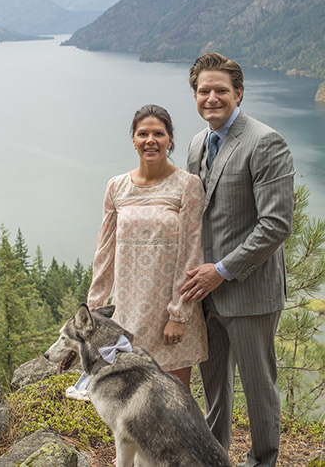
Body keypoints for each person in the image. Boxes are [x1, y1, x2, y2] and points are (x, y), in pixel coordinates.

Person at [181, 52, 295, 467]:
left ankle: (263, 461)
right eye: (203, 91)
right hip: (205, 292)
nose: (212, 98)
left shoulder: (265, 141)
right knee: (215, 387)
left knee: (259, 386)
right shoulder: (196, 143)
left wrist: (222, 271)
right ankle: (215, 457)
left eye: (221, 90)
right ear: (195, 95)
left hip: (249, 290)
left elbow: (276, 224)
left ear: (239, 93)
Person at [87, 104, 208, 389]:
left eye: (158, 134)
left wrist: (178, 314)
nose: (150, 140)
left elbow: (192, 251)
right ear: (133, 140)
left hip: (170, 313)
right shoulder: (116, 187)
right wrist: (94, 312)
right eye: (143, 134)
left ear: (169, 140)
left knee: (176, 400)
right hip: (127, 314)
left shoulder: (187, 185)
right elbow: (105, 252)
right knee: (131, 398)